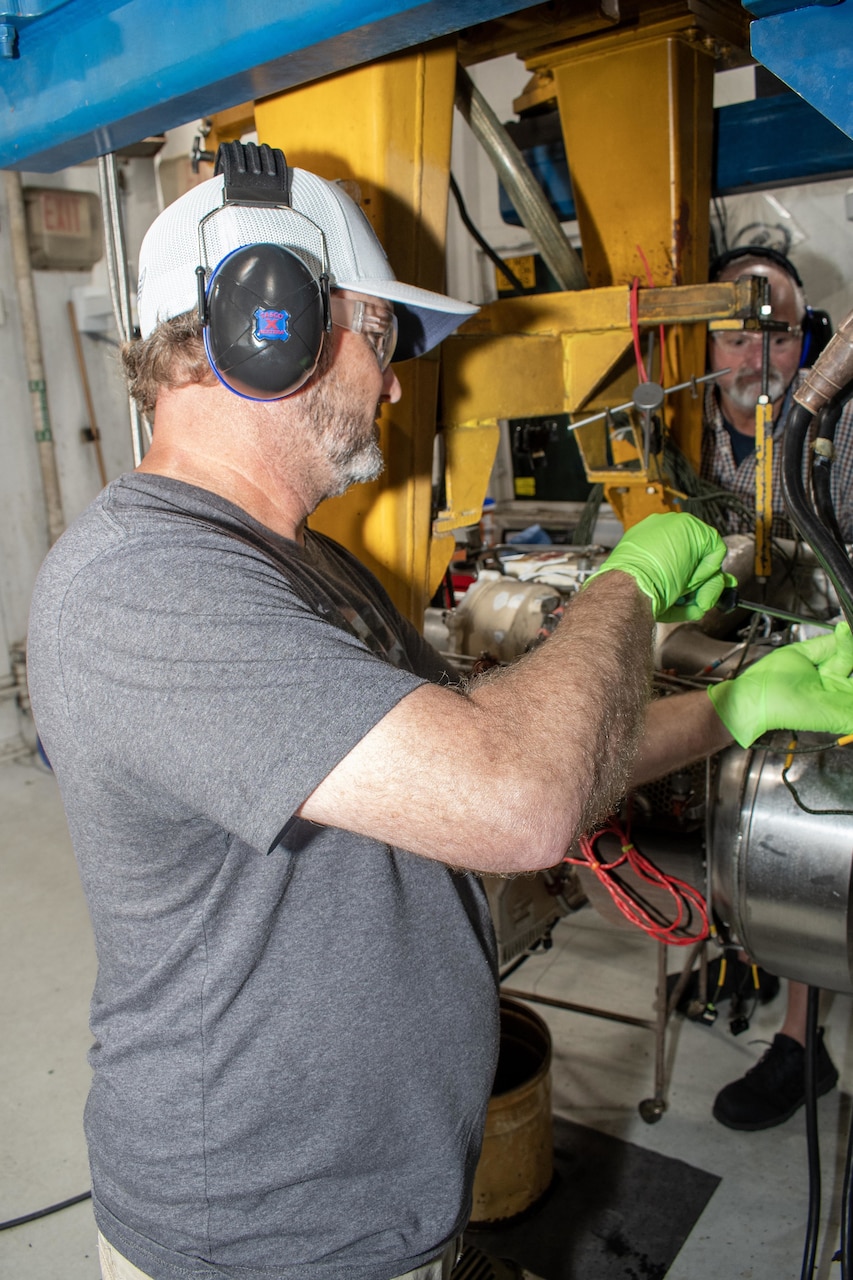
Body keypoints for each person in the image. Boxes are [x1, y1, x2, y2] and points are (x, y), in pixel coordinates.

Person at [25, 144, 853, 1280]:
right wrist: (626, 589)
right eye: (382, 336)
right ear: (271, 320)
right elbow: (518, 799)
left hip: (383, 1214)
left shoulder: (310, 569)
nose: (398, 381)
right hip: (260, 1249)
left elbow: (504, 737)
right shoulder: (140, 586)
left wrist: (735, 706)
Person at [698, 246, 853, 1131]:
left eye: (780, 332)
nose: (757, 356)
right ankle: (727, 944)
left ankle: (800, 1043)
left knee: (800, 825)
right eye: (735, 333)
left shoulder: (833, 428)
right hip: (734, 634)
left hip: (819, 656)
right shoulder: (680, 425)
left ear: (808, 340)